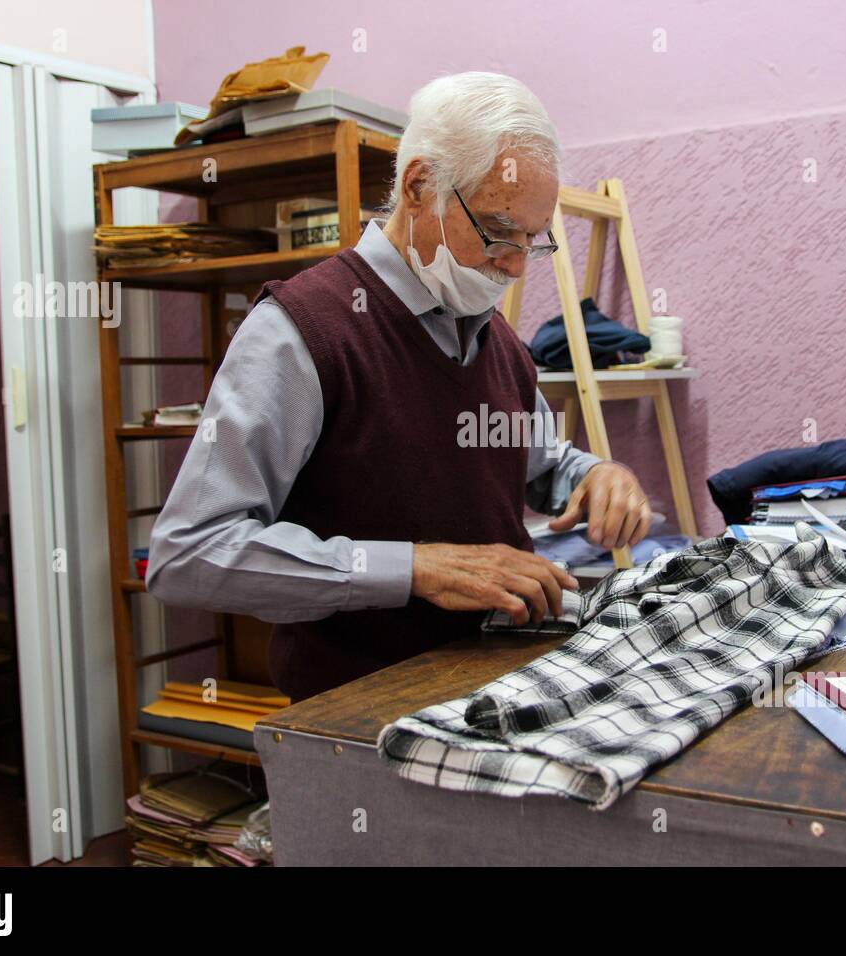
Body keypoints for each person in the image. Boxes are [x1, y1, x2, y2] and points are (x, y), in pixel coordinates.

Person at [148, 72, 651, 700]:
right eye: (497, 232)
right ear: (419, 186)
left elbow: (536, 463)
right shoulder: (302, 333)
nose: (517, 265)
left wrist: (596, 476)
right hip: (360, 714)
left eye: (533, 239)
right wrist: (411, 569)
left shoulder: (498, 344)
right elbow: (190, 553)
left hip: (495, 690)